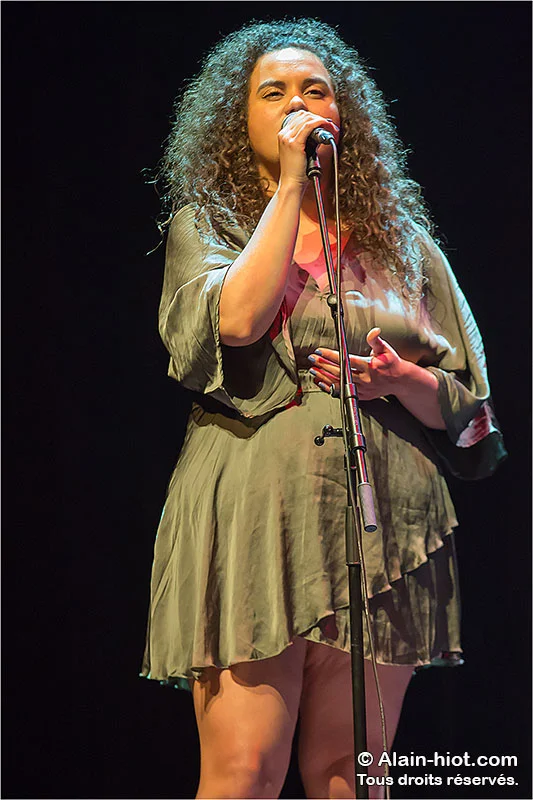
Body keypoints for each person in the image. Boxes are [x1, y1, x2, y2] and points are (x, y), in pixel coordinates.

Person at [139, 18, 506, 800]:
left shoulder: (405, 246)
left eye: (315, 90)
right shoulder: (210, 228)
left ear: (345, 115)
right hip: (256, 518)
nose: (298, 104)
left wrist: (403, 381)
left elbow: (475, 417)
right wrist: (287, 189)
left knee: (356, 775)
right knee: (244, 771)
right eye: (273, 93)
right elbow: (236, 321)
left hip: (385, 524)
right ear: (238, 120)